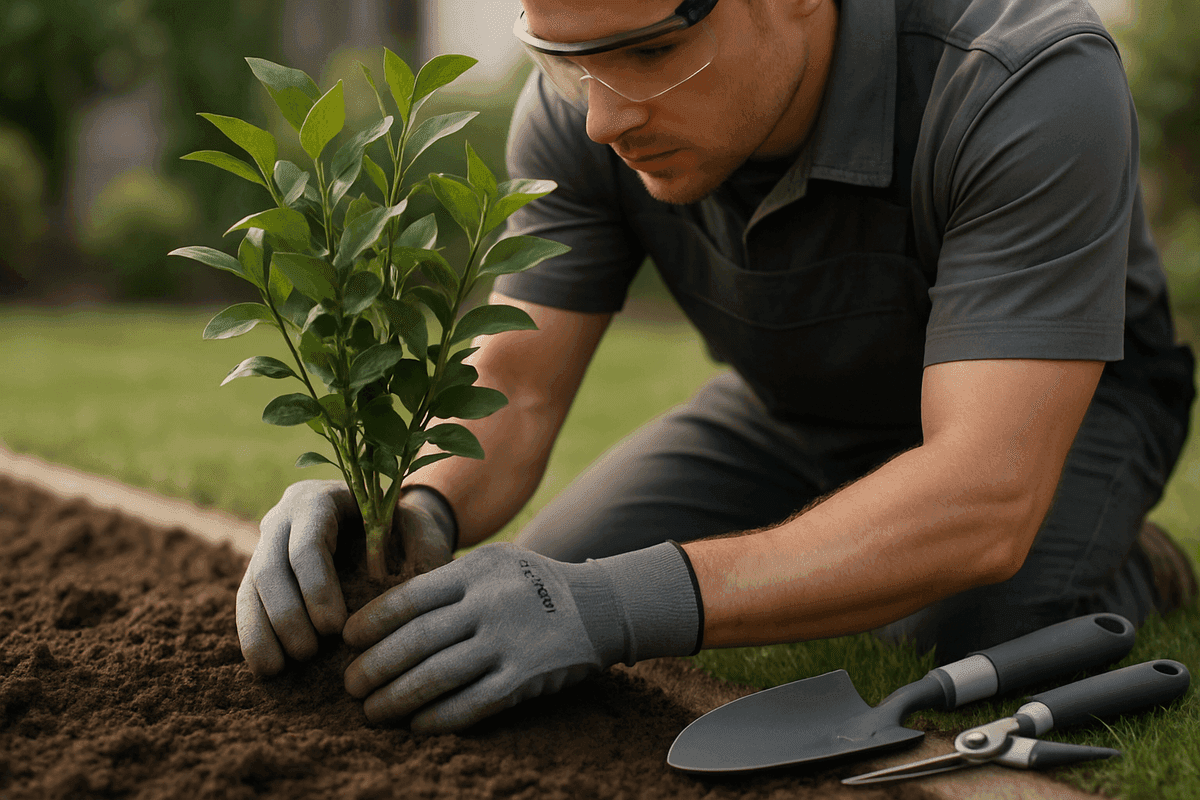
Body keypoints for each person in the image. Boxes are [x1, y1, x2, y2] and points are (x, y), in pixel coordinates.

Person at [235, 0, 1199, 733]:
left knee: (962, 625)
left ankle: (1135, 561)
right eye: (566, 61)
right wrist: (409, 508)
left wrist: (622, 606)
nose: (601, 119)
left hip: (1057, 415)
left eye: (651, 53)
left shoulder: (1020, 78)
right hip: (790, 403)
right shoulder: (583, 104)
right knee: (547, 582)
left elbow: (982, 493)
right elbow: (517, 391)